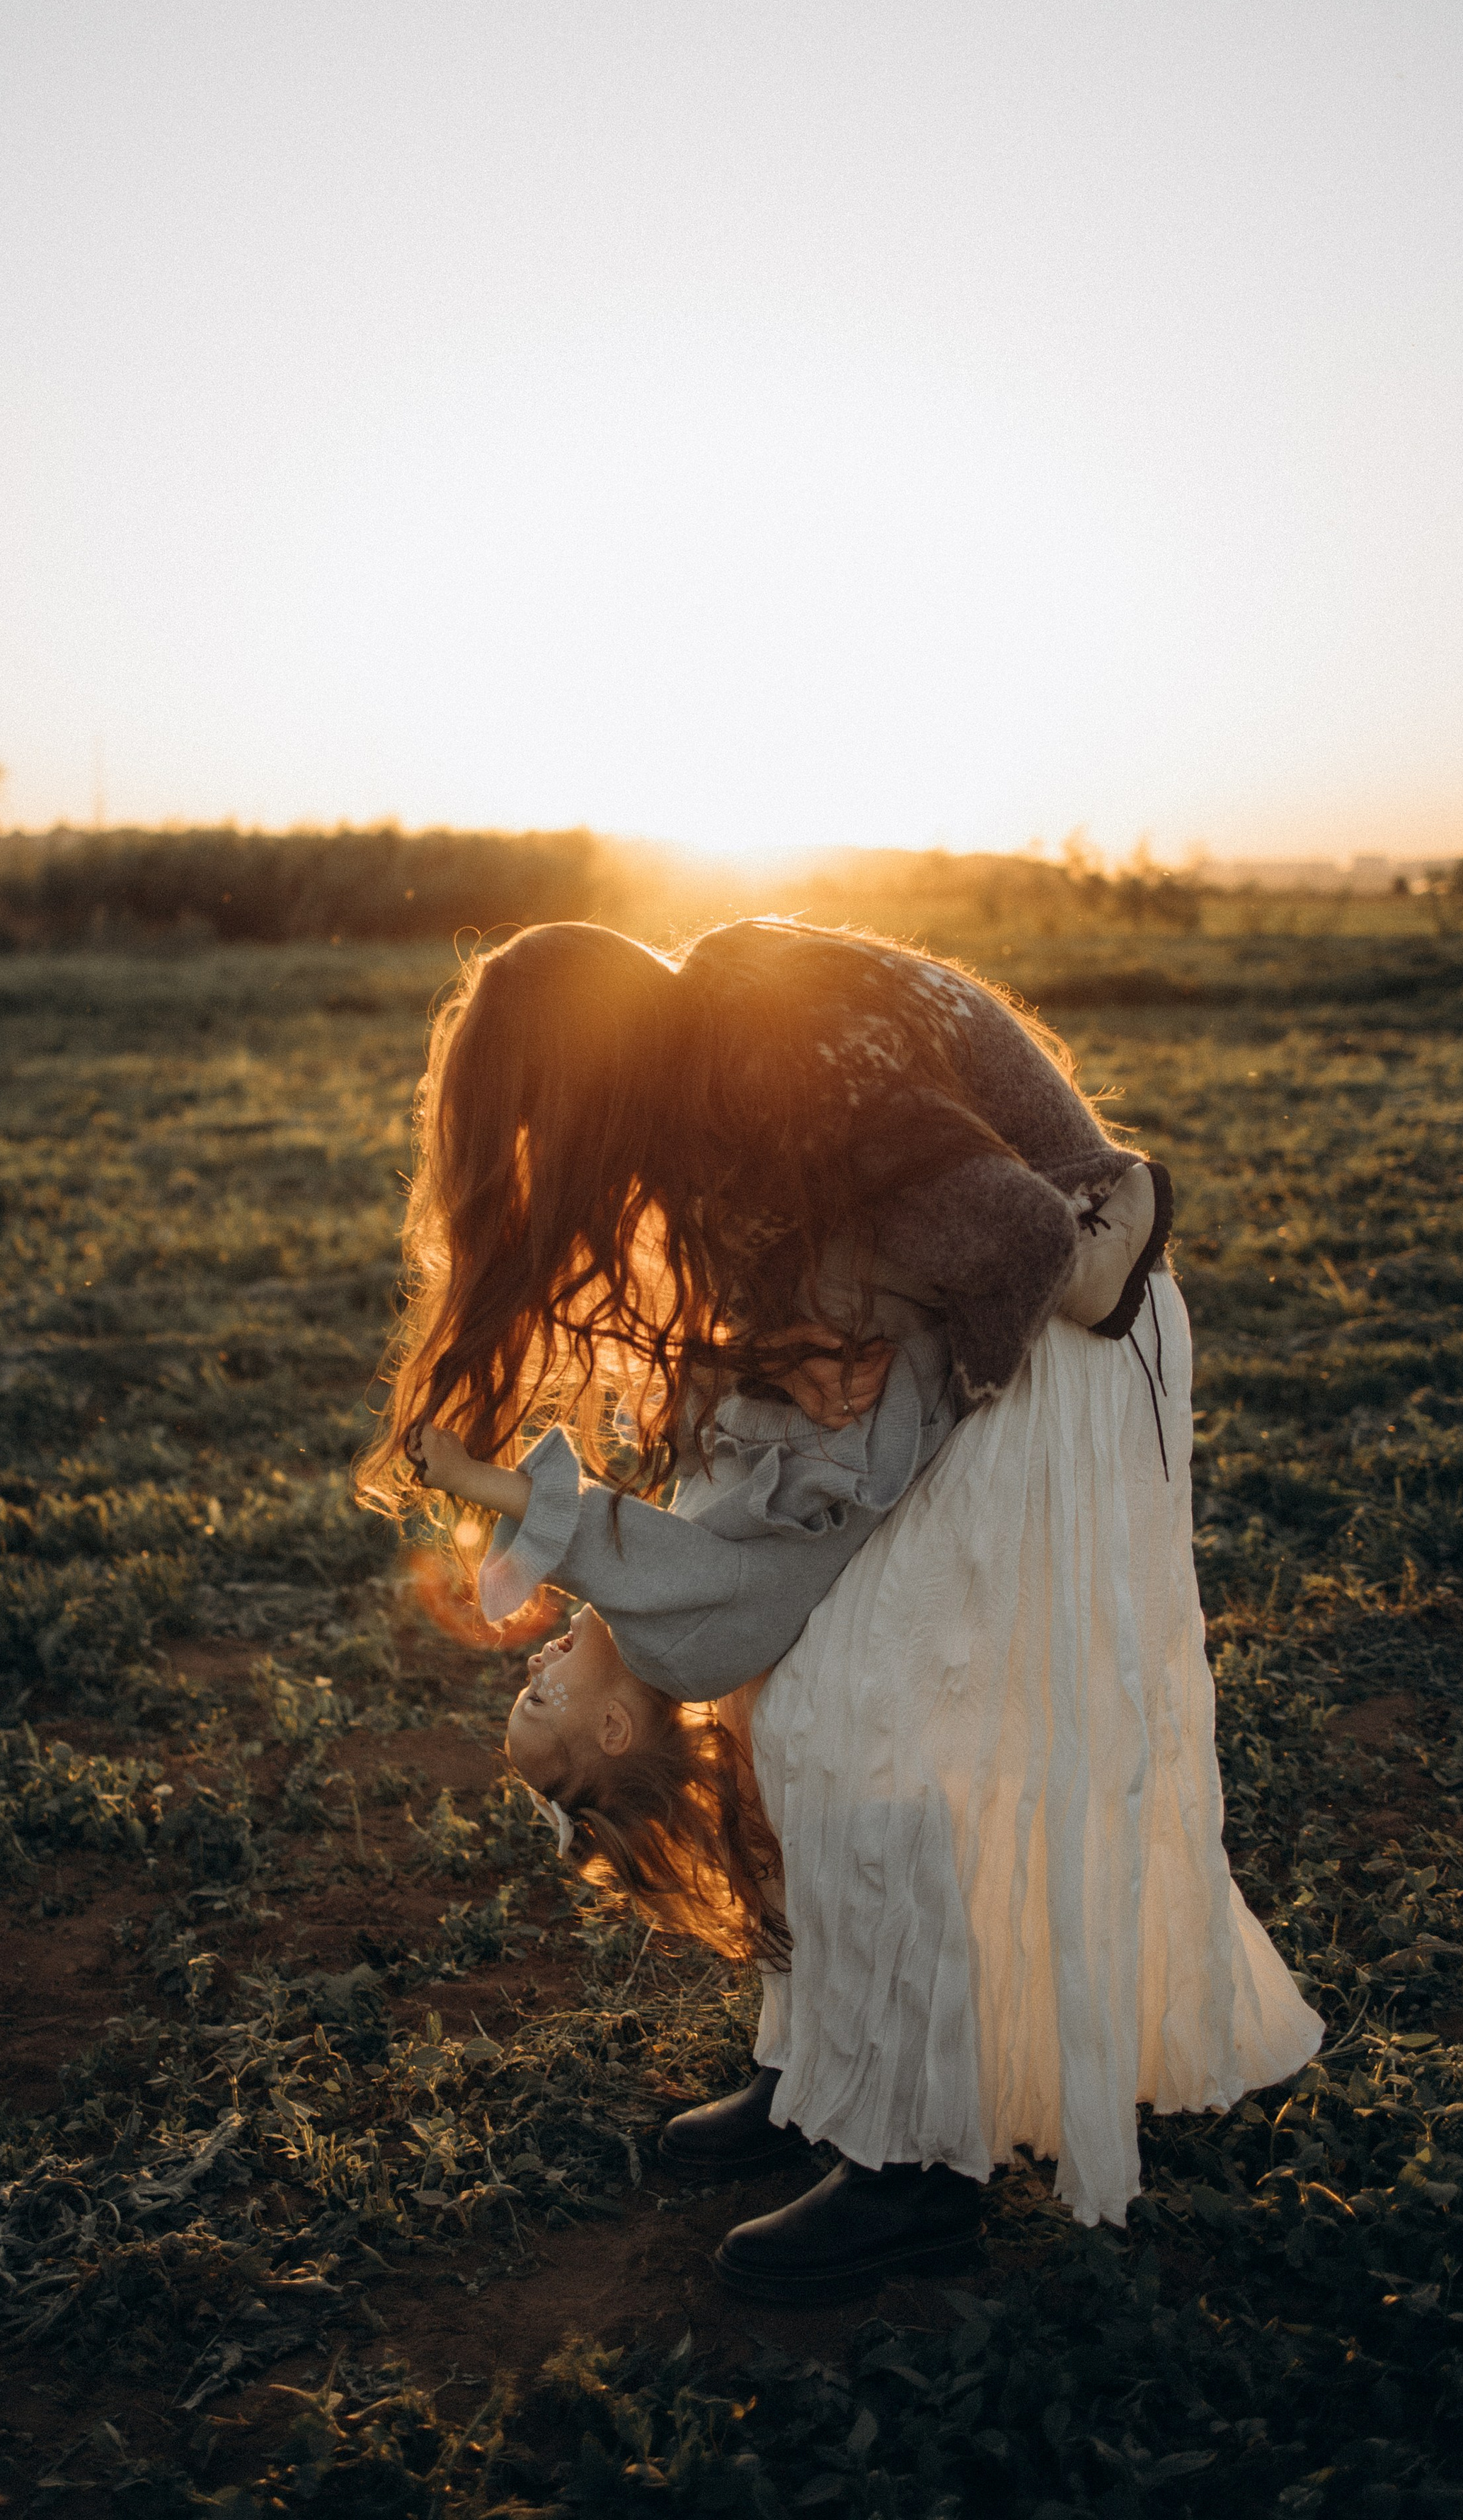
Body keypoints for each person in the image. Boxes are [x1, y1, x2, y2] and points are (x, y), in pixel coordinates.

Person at [357, 918, 1316, 2298]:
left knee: (864, 1730)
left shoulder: (763, 1057)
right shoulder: (723, 1025)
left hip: (1035, 1345)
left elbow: (1017, 1239)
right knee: (789, 1709)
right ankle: (819, 2070)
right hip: (967, 1324)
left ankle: (916, 2166)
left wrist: (874, 1409)